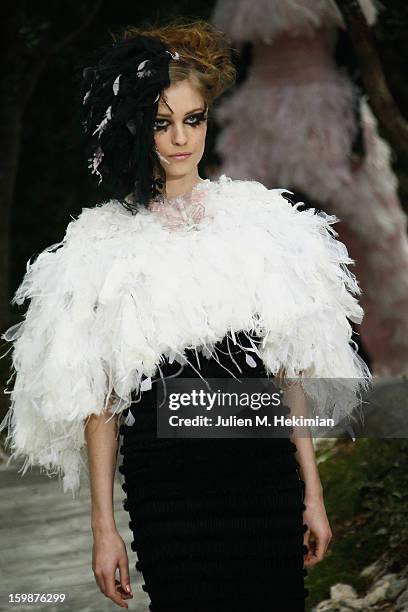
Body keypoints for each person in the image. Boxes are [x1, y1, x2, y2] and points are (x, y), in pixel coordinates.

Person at [0, 20, 371, 611]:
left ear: (208, 121)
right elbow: (98, 398)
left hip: (260, 477)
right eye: (161, 122)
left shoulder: (259, 225)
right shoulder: (100, 247)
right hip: (166, 487)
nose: (180, 139)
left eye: (192, 119)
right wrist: (103, 529)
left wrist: (313, 493)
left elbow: (288, 372)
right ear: (134, 130)